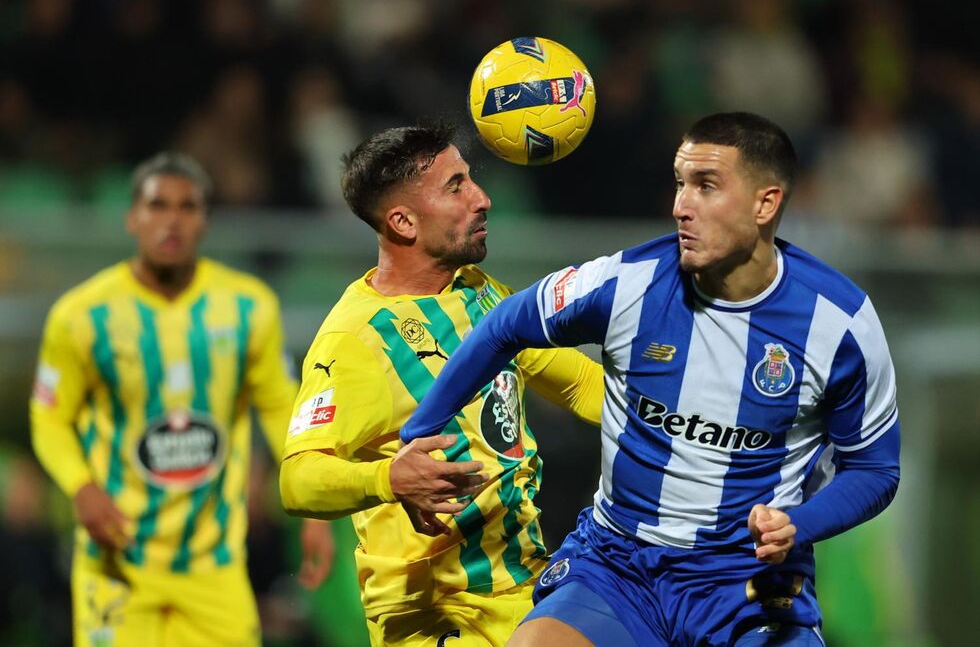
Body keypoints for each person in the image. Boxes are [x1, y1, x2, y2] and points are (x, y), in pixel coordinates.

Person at [400, 112, 902, 647]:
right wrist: (417, 434)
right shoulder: (626, 284)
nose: (681, 206)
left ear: (766, 204)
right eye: (680, 183)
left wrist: (800, 523)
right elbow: (505, 326)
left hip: (747, 579)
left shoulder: (839, 323)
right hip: (618, 566)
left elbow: (874, 469)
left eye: (706, 186)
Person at [278, 121, 604, 646]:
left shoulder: (479, 292)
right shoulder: (355, 338)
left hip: (526, 588)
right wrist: (389, 478)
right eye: (456, 187)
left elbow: (579, 384)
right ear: (403, 221)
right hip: (436, 610)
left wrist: (688, 424)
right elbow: (297, 480)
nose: (483, 198)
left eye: (470, 178)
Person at [29, 152, 334, 647]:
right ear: (132, 217)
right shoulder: (81, 315)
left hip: (215, 565)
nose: (172, 220)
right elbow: (49, 418)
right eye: (157, 206)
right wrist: (81, 488)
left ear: (205, 220)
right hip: (117, 563)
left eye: (187, 207)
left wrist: (313, 506)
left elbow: (283, 409)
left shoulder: (249, 307)